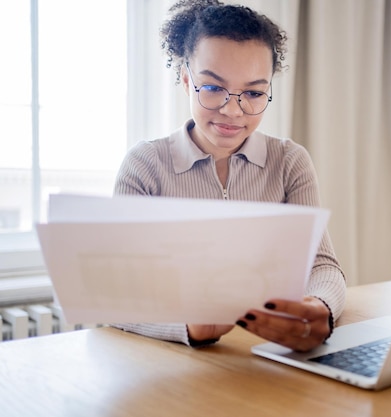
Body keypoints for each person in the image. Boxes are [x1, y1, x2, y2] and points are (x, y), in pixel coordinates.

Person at [112, 0, 346, 352]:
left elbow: (323, 265)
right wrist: (192, 325)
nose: (233, 110)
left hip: (268, 355)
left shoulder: (290, 162)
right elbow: (115, 293)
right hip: (170, 363)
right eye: (212, 88)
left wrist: (321, 309)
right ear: (187, 79)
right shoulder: (144, 165)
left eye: (253, 93)